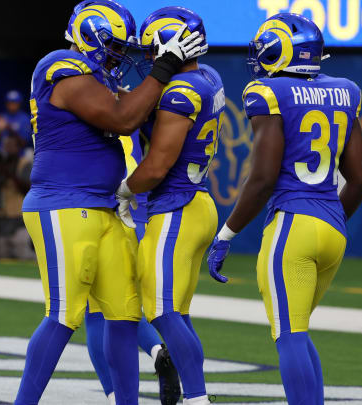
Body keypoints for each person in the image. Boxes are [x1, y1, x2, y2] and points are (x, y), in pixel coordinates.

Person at [14, 0, 203, 403]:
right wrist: (164, 68)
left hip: (103, 206)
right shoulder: (61, 65)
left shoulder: (96, 76)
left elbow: (134, 109)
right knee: (65, 316)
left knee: (122, 313)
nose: (120, 55)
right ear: (91, 35)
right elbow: (122, 118)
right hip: (62, 204)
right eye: (115, 46)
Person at [206, 13, 362, 405]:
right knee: (298, 331)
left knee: (289, 335)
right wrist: (327, 219)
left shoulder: (267, 92)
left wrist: (226, 234)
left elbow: (262, 178)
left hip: (293, 224)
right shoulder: (345, 91)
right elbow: (360, 179)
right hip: (332, 228)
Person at [115, 8, 219, 405]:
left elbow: (156, 166)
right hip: (198, 202)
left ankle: (196, 398)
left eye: (151, 48)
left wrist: (125, 190)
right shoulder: (207, 77)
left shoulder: (180, 92)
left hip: (176, 205)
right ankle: (192, 396)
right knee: (179, 314)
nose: (147, 56)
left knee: (160, 312)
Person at [86, 131, 181, 405]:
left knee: (98, 313)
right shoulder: (133, 116)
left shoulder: (93, 114)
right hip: (142, 219)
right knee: (127, 308)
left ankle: (117, 396)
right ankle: (157, 350)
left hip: (112, 217)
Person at [0, 135, 35, 260]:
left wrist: (10, 174)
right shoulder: (0, 163)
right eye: (6, 145)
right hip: (0, 217)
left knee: (23, 255)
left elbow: (28, 188)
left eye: (11, 146)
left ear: (18, 148)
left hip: (19, 217)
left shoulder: (25, 164)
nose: (8, 149)